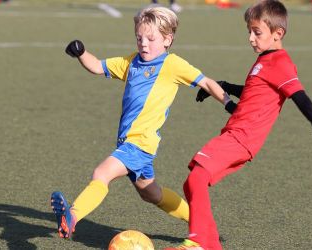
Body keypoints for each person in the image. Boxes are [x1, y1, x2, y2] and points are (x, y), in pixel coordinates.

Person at [50, 6, 236, 239]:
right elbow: (98, 66)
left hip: (140, 143)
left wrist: (230, 105)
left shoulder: (172, 64)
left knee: (102, 173)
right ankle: (201, 221)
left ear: (167, 40)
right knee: (151, 194)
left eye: (151, 38)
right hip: (129, 143)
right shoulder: (132, 62)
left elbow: (207, 83)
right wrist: (81, 53)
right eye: (139, 38)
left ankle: (72, 216)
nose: (144, 44)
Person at [164, 0, 312, 249]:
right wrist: (223, 87)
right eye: (249, 32)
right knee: (192, 183)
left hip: (242, 138)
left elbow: (300, 97)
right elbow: (254, 91)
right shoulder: (265, 60)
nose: (251, 38)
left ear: (278, 34)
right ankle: (210, 244)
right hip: (235, 133)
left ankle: (198, 242)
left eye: (257, 32)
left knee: (197, 179)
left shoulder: (281, 63)